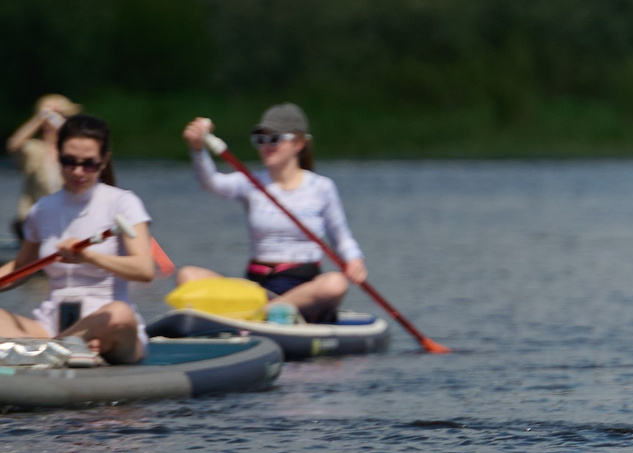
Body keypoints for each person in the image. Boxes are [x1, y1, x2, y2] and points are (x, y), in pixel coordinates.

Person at [175, 103, 366, 324]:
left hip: (303, 289)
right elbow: (211, 183)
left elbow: (341, 237)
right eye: (260, 139)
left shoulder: (321, 187)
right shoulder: (250, 182)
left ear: (298, 143)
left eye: (274, 139)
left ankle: (264, 312)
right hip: (256, 287)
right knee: (187, 275)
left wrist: (354, 261)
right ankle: (261, 311)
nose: (266, 146)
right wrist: (197, 150)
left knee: (335, 283)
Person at [0, 113, 155, 363]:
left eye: (89, 164)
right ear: (57, 156)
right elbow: (21, 268)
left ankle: (49, 351)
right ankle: (60, 349)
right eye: (69, 161)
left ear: (104, 161)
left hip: (107, 325)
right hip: (48, 328)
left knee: (120, 314)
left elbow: (144, 269)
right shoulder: (42, 209)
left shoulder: (123, 203)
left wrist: (88, 257)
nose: (78, 171)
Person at [7, 93, 79, 243]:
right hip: (34, 221)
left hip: (66, 219)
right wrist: (40, 118)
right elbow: (14, 145)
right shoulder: (34, 149)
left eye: (62, 115)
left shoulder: (72, 150)